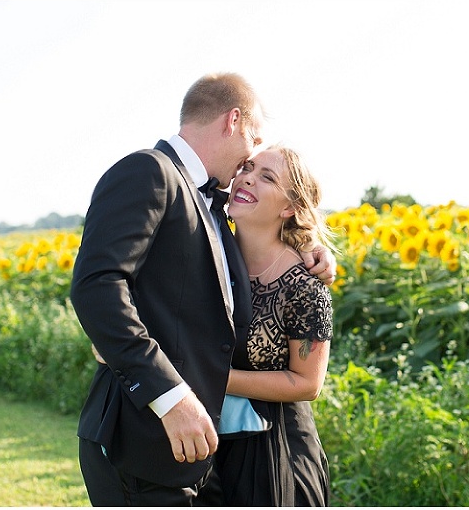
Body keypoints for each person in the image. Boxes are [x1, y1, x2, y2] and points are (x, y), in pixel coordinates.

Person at [70, 73, 336, 506]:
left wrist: (308, 245)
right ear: (234, 121)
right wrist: (171, 395)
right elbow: (98, 286)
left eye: (263, 172)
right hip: (142, 441)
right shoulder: (150, 172)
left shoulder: (214, 208)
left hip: (212, 455)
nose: (248, 164)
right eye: (253, 143)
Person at [209, 144, 335, 506]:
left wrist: (211, 376)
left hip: (276, 453)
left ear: (289, 208)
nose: (247, 177)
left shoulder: (305, 288)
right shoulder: (209, 256)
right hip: (209, 447)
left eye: (267, 177)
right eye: (247, 167)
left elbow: (307, 383)